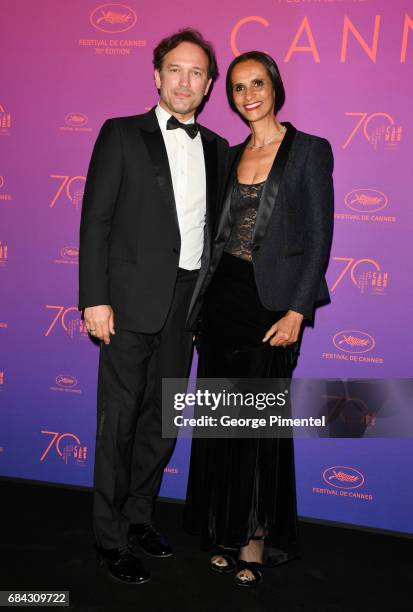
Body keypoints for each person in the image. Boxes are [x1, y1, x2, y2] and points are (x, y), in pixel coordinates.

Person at [78, 28, 229, 585]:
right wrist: (94, 297)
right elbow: (95, 220)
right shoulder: (120, 134)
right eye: (175, 70)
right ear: (157, 76)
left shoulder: (216, 148)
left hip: (187, 308)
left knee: (161, 426)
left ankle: (139, 518)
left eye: (197, 73)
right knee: (117, 424)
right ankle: (109, 537)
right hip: (125, 305)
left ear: (209, 85)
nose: (185, 81)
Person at [183, 51, 334, 587]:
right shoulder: (229, 154)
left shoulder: (309, 151)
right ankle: (223, 532)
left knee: (258, 426)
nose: (248, 94)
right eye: (239, 87)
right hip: (222, 302)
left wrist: (298, 309)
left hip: (272, 308)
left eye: (258, 83)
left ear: (275, 87)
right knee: (223, 425)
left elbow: (318, 237)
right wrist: (199, 306)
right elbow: (215, 239)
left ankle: (255, 542)